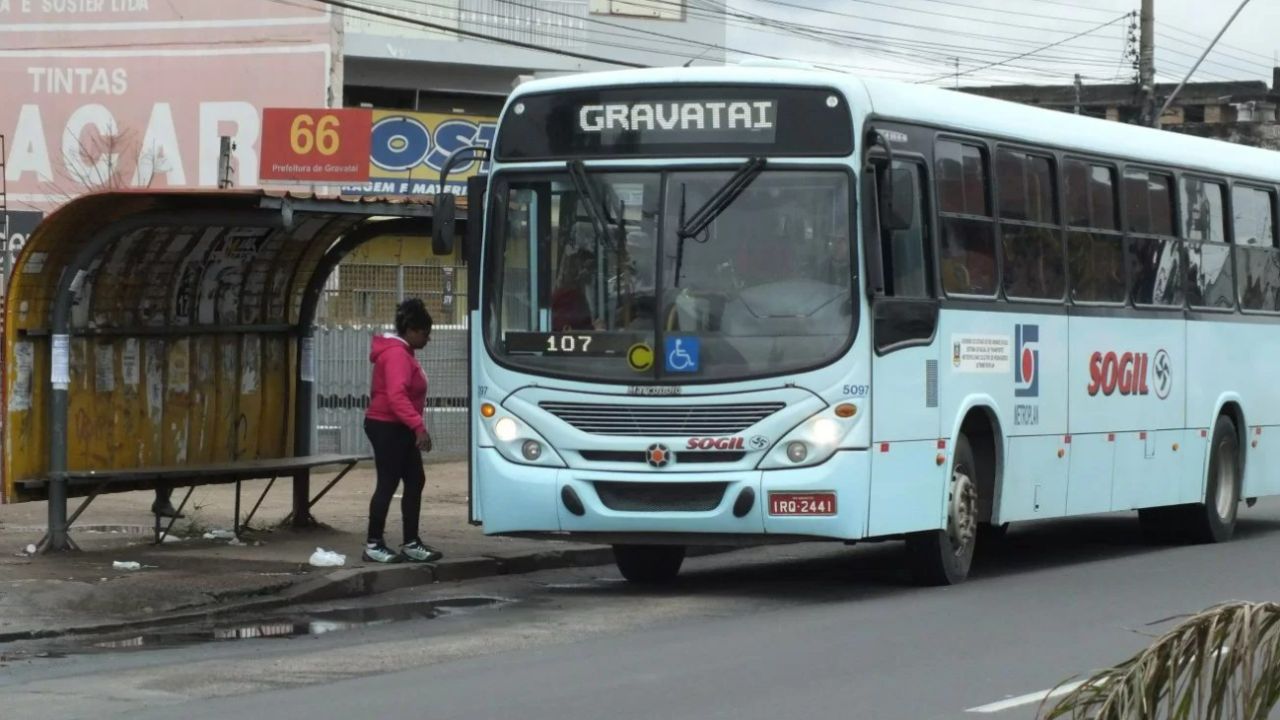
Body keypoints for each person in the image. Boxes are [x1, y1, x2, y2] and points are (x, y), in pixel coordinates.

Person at [362, 298, 443, 564]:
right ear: (411, 331)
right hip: (387, 424)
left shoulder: (403, 353)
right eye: (425, 333)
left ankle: (411, 542)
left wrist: (413, 426)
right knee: (388, 482)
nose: (427, 339)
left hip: (398, 425)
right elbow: (397, 396)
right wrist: (418, 427)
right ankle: (374, 544)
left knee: (415, 480)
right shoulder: (397, 355)